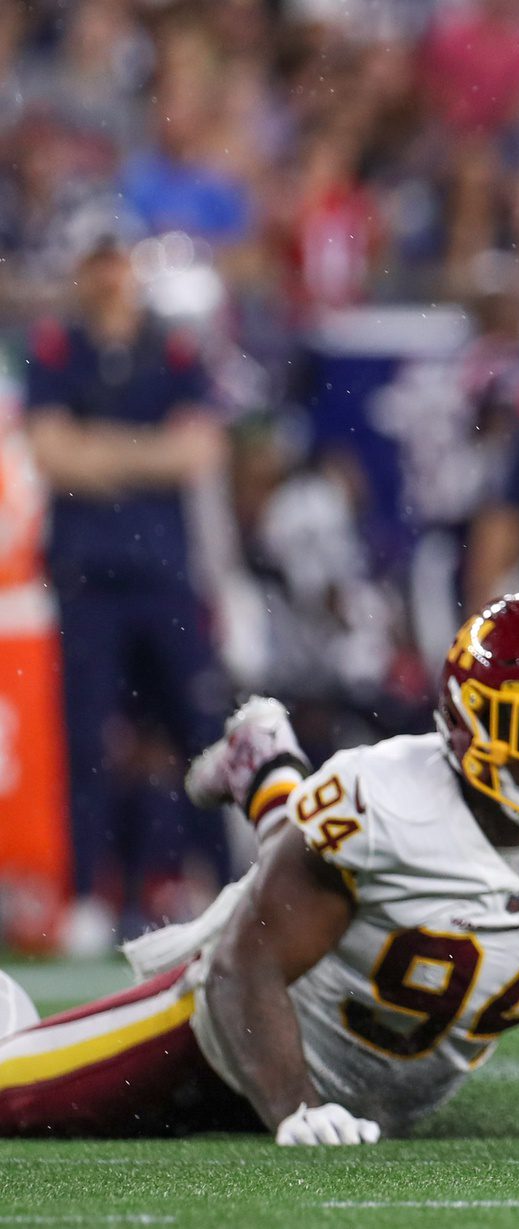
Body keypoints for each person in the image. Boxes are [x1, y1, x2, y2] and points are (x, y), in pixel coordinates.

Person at [0, 594, 519, 1145]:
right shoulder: (386, 799)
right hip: (223, 1041)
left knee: (314, 860)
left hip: (371, 1084)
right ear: (465, 719)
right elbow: (245, 963)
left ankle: (267, 766)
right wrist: (295, 1106)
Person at [23, 223, 228, 953]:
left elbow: (199, 450)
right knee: (87, 738)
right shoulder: (60, 347)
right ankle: (87, 894)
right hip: (90, 577)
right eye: (98, 262)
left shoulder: (170, 348)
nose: (109, 276)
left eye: (116, 261)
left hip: (163, 574)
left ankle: (220, 881)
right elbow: (51, 453)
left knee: (200, 734)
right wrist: (147, 453)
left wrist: (100, 448)